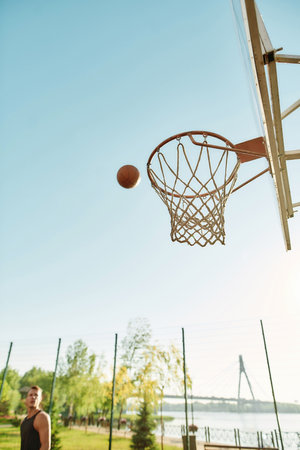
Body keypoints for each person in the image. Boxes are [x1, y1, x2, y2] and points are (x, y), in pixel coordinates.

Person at [20, 385, 51, 450]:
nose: (33, 397)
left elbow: (45, 446)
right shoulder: (23, 421)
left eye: (36, 395)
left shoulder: (42, 417)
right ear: (26, 399)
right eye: (30, 395)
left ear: (40, 399)